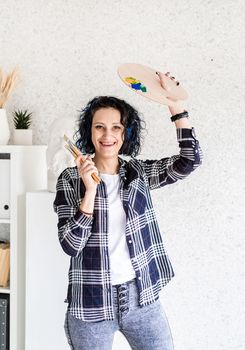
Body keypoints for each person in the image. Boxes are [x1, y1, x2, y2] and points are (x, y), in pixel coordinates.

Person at [53, 71, 203, 350]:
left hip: (141, 297)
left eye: (116, 127)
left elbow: (189, 160)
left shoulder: (138, 173)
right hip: (91, 303)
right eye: (99, 127)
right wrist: (89, 192)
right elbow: (71, 245)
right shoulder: (70, 179)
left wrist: (173, 103)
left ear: (125, 132)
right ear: (89, 131)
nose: (107, 135)